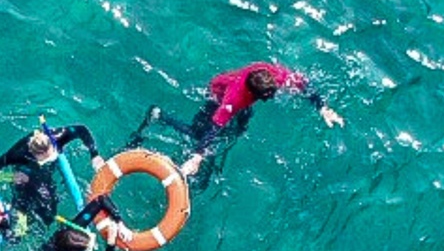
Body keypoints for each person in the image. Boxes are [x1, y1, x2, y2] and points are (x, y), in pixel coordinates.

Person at [132, 62, 344, 178]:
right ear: (253, 94)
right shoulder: (233, 99)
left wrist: (323, 108)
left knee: (240, 128)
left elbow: (302, 84)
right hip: (218, 92)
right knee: (198, 134)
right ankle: (159, 115)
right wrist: (196, 157)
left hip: (242, 96)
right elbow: (214, 129)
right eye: (267, 97)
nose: (271, 98)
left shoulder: (272, 77)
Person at [0, 122, 105, 225]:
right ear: (34, 154)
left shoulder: (56, 137)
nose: (53, 157)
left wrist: (94, 154)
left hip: (42, 173)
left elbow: (81, 129)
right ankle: (20, 224)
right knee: (26, 202)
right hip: (25, 171)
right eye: (48, 157)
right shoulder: (18, 154)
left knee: (49, 210)